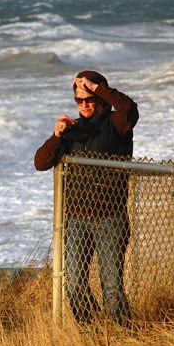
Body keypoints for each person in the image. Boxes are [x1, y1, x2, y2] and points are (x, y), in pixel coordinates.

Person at [34, 70, 139, 326]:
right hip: (76, 219)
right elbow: (40, 163)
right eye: (79, 101)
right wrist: (57, 136)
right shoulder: (74, 130)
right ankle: (91, 334)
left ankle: (124, 335)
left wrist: (96, 86)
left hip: (110, 219)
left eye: (89, 99)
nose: (84, 106)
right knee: (75, 286)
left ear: (100, 97)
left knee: (112, 287)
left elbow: (130, 108)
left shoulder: (117, 124)